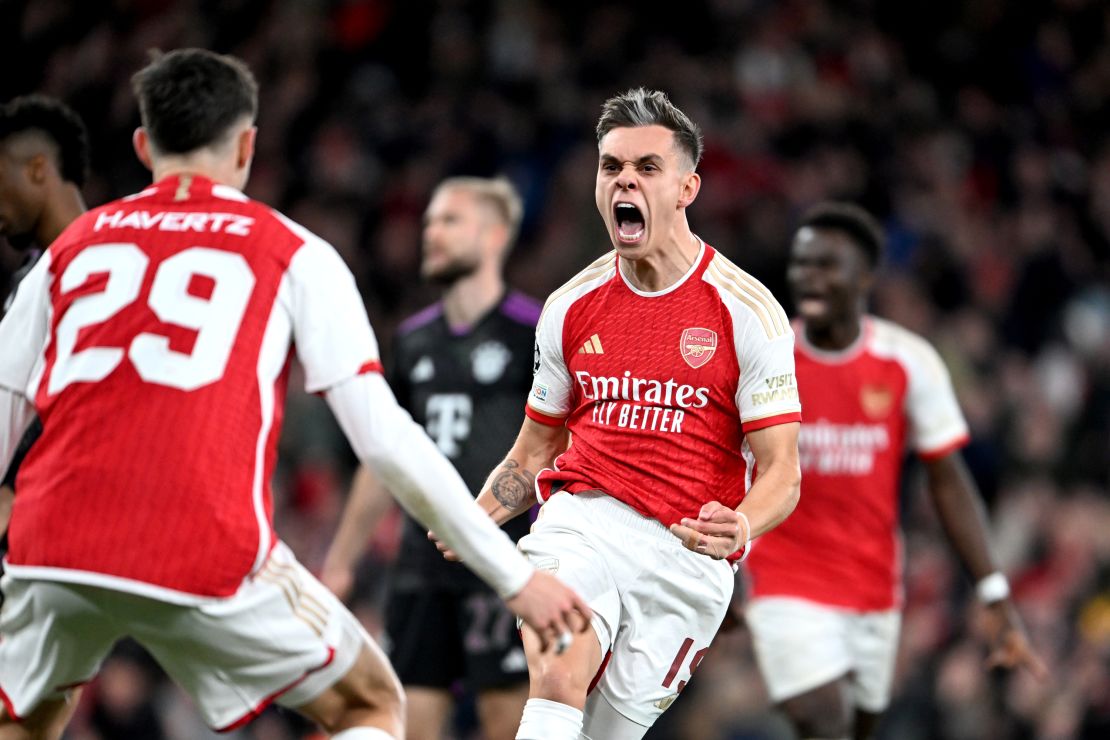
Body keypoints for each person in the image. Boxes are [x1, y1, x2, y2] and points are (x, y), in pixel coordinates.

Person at [0, 48, 590, 740]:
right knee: (368, 704)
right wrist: (515, 579)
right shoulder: (291, 251)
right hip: (202, 548)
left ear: (142, 145)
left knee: (26, 719)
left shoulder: (70, 250)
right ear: (247, 146)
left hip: (52, 543)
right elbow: (384, 437)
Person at [433, 88, 803, 740]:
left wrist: (742, 524)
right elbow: (535, 452)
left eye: (646, 168)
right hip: (582, 525)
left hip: (687, 561)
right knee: (555, 671)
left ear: (687, 188)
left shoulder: (748, 311)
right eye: (611, 167)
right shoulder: (571, 306)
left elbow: (782, 471)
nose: (624, 180)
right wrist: (476, 516)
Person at [743, 201, 1047, 740]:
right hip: (783, 575)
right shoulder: (767, 358)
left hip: (873, 584)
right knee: (820, 717)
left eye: (827, 265)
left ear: (864, 278)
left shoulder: (909, 362)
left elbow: (948, 481)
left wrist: (994, 592)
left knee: (862, 726)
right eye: (803, 264)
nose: (810, 278)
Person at [321, 176, 539, 739]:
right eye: (429, 223)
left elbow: (553, 445)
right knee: (411, 724)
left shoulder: (533, 332)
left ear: (494, 236)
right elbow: (381, 452)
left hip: (504, 559)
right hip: (421, 565)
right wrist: (343, 560)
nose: (431, 233)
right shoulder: (413, 340)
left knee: (506, 722)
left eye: (449, 221)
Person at [0, 95, 90, 540]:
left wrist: (15, 486)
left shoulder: (101, 269)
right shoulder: (30, 277)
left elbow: (91, 390)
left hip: (60, 519)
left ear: (37, 169)